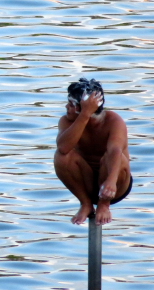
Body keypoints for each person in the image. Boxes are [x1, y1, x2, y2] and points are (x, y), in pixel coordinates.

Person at [53, 78, 132, 225]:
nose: (66, 107)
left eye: (70, 104)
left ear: (83, 108)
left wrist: (111, 182)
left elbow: (115, 151)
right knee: (60, 156)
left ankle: (104, 205)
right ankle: (85, 204)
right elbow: (63, 148)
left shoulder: (113, 120)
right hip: (85, 181)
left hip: (115, 182)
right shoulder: (66, 121)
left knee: (116, 156)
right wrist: (83, 117)